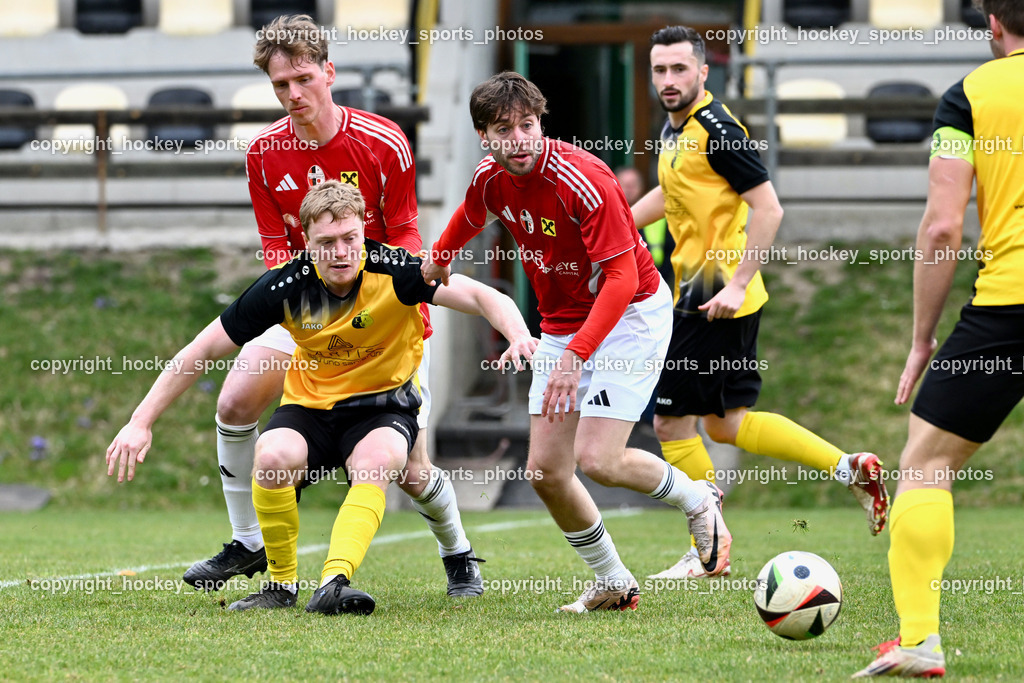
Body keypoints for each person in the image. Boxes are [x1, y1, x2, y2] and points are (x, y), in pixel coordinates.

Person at [106, 181, 536, 614]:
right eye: (326, 242)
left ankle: (338, 582)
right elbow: (200, 351)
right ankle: (279, 587)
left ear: (363, 232)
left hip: (383, 407)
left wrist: (517, 335)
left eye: (350, 239)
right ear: (307, 244)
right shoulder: (285, 286)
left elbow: (483, 295)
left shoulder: (398, 271)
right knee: (271, 457)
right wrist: (139, 422)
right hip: (311, 408)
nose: (341, 251)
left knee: (394, 468)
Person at [187, 14, 484, 598]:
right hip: (306, 301)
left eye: (302, 79)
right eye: (280, 86)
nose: (293, 95)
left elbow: (404, 233)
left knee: (412, 470)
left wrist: (411, 308)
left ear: (328, 71)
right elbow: (276, 250)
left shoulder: (384, 141)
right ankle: (248, 540)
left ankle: (459, 552)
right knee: (234, 395)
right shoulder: (264, 154)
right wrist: (292, 309)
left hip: (383, 305)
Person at [422, 71, 731, 613]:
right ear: (483, 136)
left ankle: (697, 498)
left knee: (599, 458)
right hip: (563, 321)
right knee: (544, 470)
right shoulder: (489, 176)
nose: (518, 139)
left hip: (630, 314)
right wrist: (440, 254)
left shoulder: (583, 179)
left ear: (541, 123)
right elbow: (474, 211)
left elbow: (620, 281)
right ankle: (612, 579)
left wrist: (575, 359)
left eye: (527, 124)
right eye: (502, 129)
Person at [630, 25, 890, 580]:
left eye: (680, 69)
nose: (669, 80)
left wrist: (738, 282)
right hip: (711, 294)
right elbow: (671, 192)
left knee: (673, 427)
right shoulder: (677, 131)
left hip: (711, 295)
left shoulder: (717, 129)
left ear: (705, 72)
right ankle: (849, 468)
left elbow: (769, 207)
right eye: (660, 70)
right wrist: (617, 224)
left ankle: (711, 547)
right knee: (726, 426)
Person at [854, 2, 1024, 677]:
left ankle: (920, 639)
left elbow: (942, 228)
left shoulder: (969, 98)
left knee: (925, 463)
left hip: (1008, 304)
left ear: (992, 24)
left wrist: (923, 338)